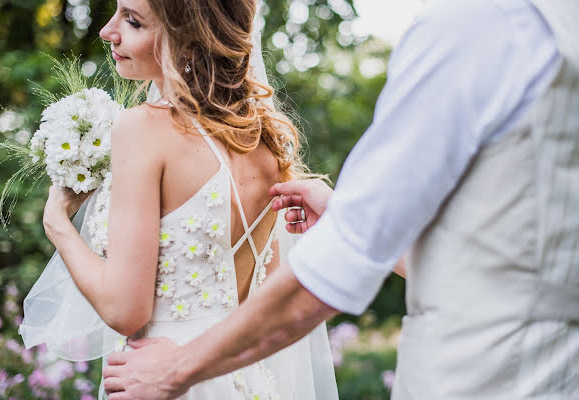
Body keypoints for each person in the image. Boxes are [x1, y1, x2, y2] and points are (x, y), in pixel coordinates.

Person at [102, 0, 579, 399]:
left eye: (133, 18)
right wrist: (340, 216)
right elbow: (507, 260)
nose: (111, 30)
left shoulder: (474, 29)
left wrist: (179, 366)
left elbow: (345, 260)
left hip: (478, 375)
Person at [19, 0, 339, 399]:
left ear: (187, 40)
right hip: (245, 379)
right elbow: (268, 298)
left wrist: (58, 225)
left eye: (132, 21)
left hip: (162, 376)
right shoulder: (264, 143)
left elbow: (125, 311)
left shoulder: (142, 129)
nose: (107, 31)